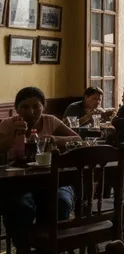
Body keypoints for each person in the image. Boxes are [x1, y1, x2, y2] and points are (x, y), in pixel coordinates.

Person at [0, 87, 81, 243]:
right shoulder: (8, 124)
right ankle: (23, 247)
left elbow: (77, 139)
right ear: (16, 109)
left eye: (36, 106)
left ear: (44, 106)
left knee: (61, 202)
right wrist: (12, 136)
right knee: (21, 207)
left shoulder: (50, 121)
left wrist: (56, 139)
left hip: (51, 179)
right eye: (25, 107)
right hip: (19, 182)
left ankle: (48, 245)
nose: (31, 112)